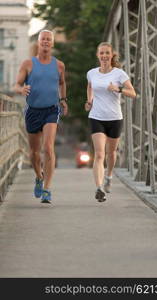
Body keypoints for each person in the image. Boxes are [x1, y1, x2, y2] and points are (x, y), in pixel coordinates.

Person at [14, 30, 68, 204]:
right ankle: (39, 176)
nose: (45, 42)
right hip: (33, 111)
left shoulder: (59, 65)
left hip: (51, 110)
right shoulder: (28, 64)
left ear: (52, 44)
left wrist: (63, 99)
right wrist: (21, 90)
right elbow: (16, 85)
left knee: (48, 148)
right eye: (43, 39)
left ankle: (47, 189)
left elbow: (62, 82)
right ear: (38, 42)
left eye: (48, 40)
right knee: (34, 153)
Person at [85, 42, 136, 202]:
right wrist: (89, 100)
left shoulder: (119, 74)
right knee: (99, 154)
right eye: (101, 53)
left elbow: (133, 93)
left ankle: (109, 176)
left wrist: (118, 89)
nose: (104, 56)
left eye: (107, 53)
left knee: (111, 153)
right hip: (96, 117)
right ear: (97, 55)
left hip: (115, 118)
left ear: (112, 55)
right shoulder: (91, 73)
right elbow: (90, 86)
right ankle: (99, 188)